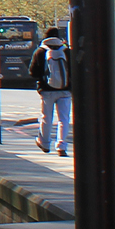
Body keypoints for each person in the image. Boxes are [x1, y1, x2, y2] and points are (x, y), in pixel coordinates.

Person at [30, 27, 72, 156]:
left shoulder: (40, 51)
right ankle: (61, 146)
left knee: (46, 117)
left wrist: (42, 82)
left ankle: (44, 143)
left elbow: (33, 72)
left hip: (47, 90)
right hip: (65, 90)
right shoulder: (66, 51)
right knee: (63, 119)